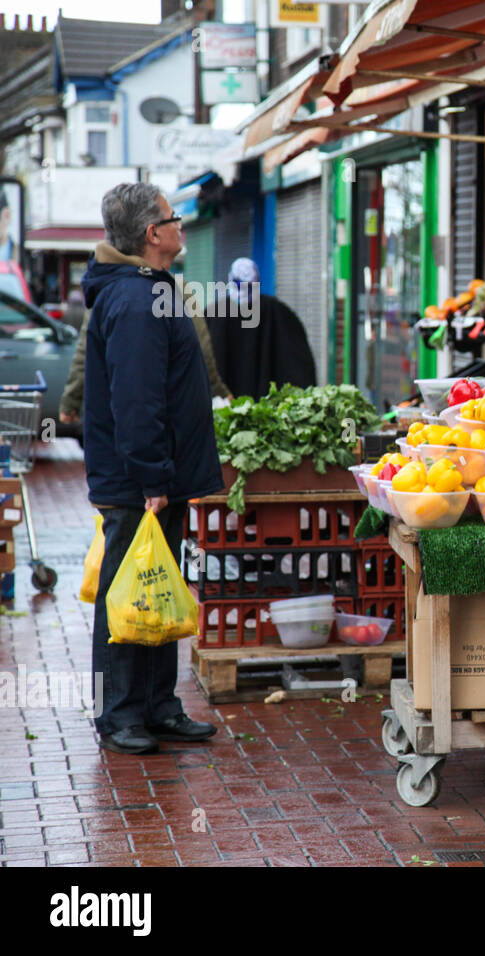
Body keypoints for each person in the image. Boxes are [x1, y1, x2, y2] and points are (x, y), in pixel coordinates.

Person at [81, 182, 224, 755]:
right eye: (174, 217)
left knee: (157, 585)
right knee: (126, 592)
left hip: (157, 476)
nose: (181, 224)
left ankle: (159, 706)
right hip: (140, 483)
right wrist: (152, 479)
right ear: (152, 233)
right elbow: (136, 400)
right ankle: (118, 713)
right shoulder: (136, 301)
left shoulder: (150, 290)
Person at [60, 272, 229, 424]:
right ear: (153, 238)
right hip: (168, 406)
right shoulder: (176, 287)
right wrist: (218, 391)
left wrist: (71, 400)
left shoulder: (105, 288)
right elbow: (201, 348)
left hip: (116, 405)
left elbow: (86, 350)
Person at [205, 257, 317, 398]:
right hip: (268, 413)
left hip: (223, 410)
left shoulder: (212, 314)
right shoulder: (279, 313)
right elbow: (300, 369)